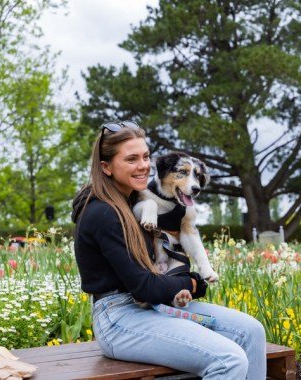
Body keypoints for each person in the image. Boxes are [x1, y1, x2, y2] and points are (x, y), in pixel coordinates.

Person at [71, 121, 266, 379]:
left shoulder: (135, 200)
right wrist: (194, 283)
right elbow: (143, 286)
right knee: (228, 360)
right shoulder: (103, 212)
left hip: (152, 305)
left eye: (145, 157)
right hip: (118, 318)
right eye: (131, 159)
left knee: (251, 331)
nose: (143, 166)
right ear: (106, 167)